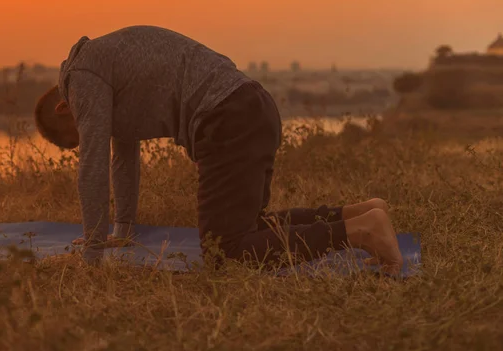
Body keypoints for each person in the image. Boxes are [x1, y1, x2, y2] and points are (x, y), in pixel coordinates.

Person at [34, 25, 403, 274]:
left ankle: (361, 231)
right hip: (252, 106)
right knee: (251, 228)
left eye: (79, 134)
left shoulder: (82, 79)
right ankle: (359, 213)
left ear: (63, 108)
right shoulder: (101, 70)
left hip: (226, 118)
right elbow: (122, 158)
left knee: (224, 251)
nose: (89, 133)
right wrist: (122, 230)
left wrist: (91, 256)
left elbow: (93, 163)